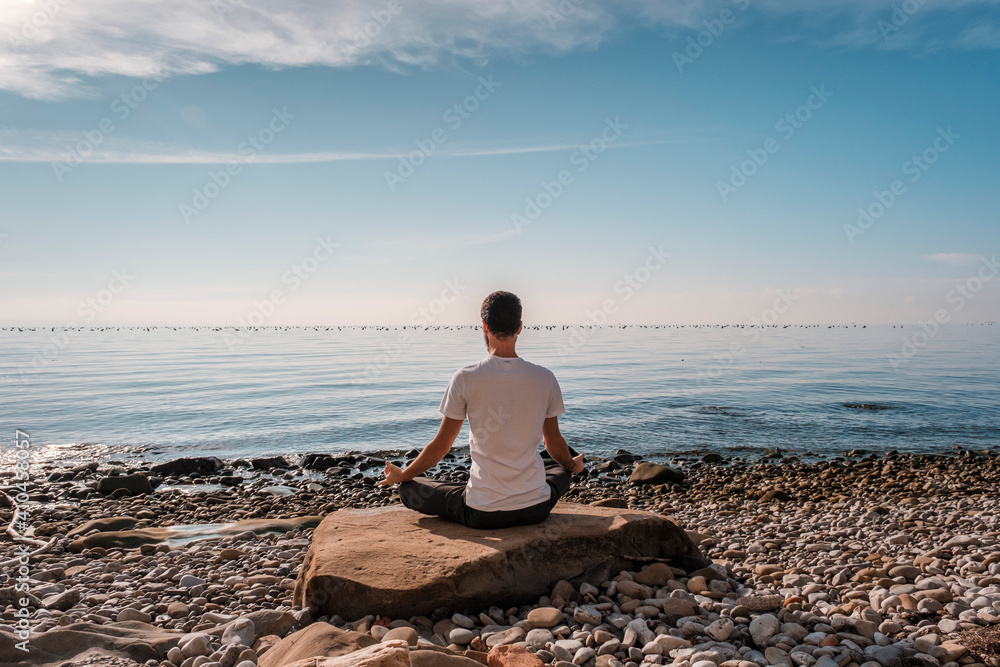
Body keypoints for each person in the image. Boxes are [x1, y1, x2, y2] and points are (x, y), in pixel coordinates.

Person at [379, 290, 585, 529]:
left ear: (484, 326)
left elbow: (441, 446)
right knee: (562, 460)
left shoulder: (465, 378)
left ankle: (456, 488)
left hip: (483, 513)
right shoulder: (545, 378)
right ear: (519, 327)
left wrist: (403, 475)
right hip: (536, 508)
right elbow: (553, 443)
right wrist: (573, 466)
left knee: (409, 489)